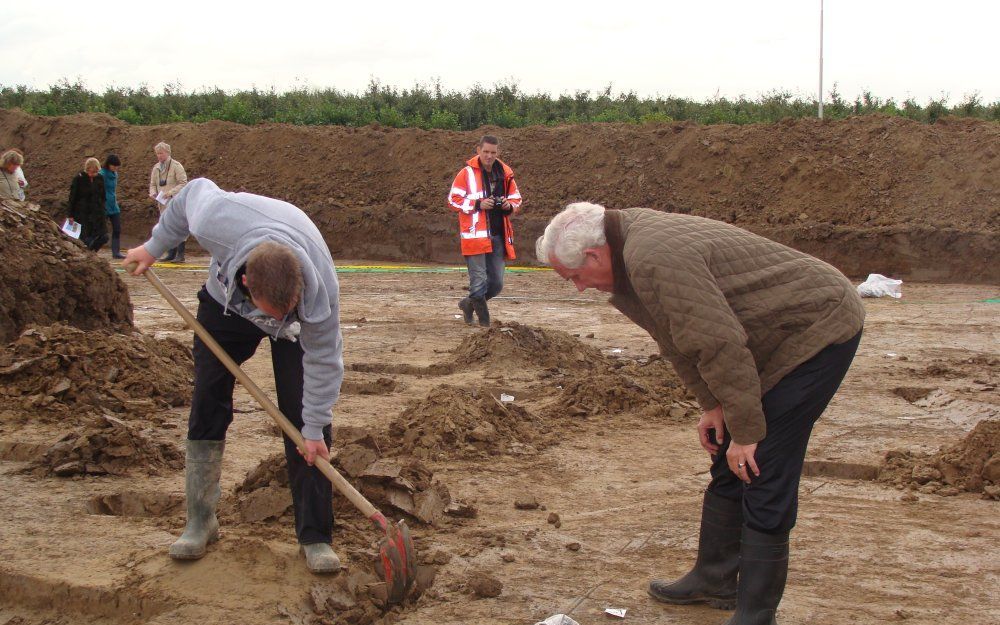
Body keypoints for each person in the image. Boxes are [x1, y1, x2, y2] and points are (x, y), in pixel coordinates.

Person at [535, 202, 865, 625]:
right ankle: (714, 578)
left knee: (761, 460)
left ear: (595, 255)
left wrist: (745, 430)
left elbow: (719, 344)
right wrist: (713, 406)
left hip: (816, 326)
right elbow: (675, 338)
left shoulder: (654, 258)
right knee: (729, 453)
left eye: (575, 277)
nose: (579, 288)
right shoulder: (626, 254)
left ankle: (756, 614)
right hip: (763, 334)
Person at [123, 178, 344, 574]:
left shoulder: (318, 289)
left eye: (287, 307)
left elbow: (325, 361)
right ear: (247, 282)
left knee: (303, 416)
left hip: (296, 326)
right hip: (227, 308)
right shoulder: (215, 219)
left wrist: (313, 429)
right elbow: (189, 194)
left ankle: (315, 536)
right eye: (271, 312)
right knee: (208, 396)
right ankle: (200, 519)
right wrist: (153, 247)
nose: (274, 320)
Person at [447, 135, 522, 327]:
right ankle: (484, 325)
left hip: (498, 235)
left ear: (498, 153)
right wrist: (478, 204)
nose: (489, 156)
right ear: (478, 150)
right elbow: (453, 200)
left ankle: (468, 304)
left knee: (496, 284)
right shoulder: (466, 173)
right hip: (475, 235)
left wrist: (508, 205)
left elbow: (516, 198)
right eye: (486, 152)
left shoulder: (505, 174)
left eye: (493, 153)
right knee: (478, 281)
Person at [147, 141, 188, 262]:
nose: (159, 156)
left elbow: (183, 183)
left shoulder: (176, 166)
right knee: (167, 227)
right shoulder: (156, 168)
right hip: (162, 203)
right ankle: (171, 253)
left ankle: (180, 255)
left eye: (161, 153)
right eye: (157, 154)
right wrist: (153, 192)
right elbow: (153, 184)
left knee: (179, 226)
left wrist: (170, 192)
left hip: (175, 202)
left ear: (168, 153)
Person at [68, 157, 109, 252]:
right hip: (82, 214)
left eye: (95, 172)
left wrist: (104, 210)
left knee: (104, 237)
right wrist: (70, 215)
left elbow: (103, 196)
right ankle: (88, 254)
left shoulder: (100, 178)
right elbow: (72, 197)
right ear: (87, 170)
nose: (92, 175)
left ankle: (91, 252)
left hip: (97, 213)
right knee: (85, 239)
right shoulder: (79, 179)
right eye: (91, 172)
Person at [101, 154, 125, 259]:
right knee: (101, 231)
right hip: (104, 205)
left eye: (117, 166)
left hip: (113, 205)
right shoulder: (101, 174)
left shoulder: (115, 174)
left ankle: (116, 252)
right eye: (114, 166)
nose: (115, 168)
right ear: (108, 164)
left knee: (117, 228)